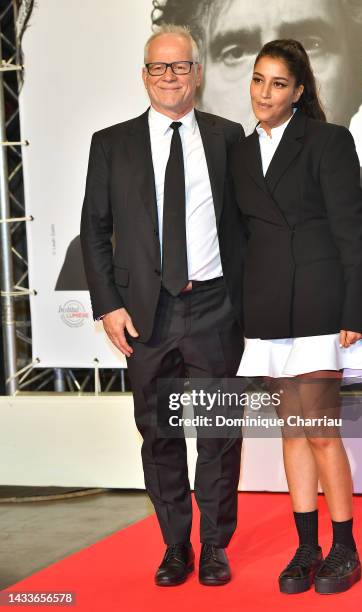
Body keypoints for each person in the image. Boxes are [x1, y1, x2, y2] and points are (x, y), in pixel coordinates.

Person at [80, 25, 245, 586]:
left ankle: (216, 545)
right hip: (146, 313)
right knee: (159, 432)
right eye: (158, 67)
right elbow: (95, 231)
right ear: (144, 74)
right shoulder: (111, 143)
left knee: (220, 432)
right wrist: (108, 305)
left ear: (196, 73)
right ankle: (176, 545)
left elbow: (248, 227)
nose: (169, 77)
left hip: (216, 305)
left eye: (179, 67)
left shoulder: (228, 137)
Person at [229, 39, 362, 594]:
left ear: (298, 92)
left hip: (320, 306)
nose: (264, 93)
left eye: (277, 83)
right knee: (291, 434)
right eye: (257, 80)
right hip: (268, 310)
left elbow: (355, 232)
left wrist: (355, 310)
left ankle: (345, 550)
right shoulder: (240, 154)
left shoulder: (327, 141)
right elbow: (243, 241)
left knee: (319, 430)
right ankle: (306, 549)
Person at [152, 0, 362, 286]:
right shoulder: (156, 228)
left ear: (356, 76)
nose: (269, 85)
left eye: (311, 42)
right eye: (236, 51)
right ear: (198, 86)